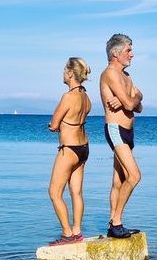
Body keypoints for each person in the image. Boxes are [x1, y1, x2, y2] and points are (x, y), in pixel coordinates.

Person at [99, 33, 143, 238]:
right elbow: (129, 104)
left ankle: (114, 225)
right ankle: (116, 222)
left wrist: (136, 97)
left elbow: (138, 106)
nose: (132, 55)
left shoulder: (126, 76)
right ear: (116, 53)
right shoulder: (110, 74)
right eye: (128, 50)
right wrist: (132, 98)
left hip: (128, 131)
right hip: (115, 129)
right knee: (134, 176)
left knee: (119, 181)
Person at [47, 57, 92, 246]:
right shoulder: (86, 96)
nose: (63, 74)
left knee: (54, 192)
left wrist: (53, 126)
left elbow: (54, 124)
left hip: (69, 149)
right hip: (83, 148)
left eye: (64, 70)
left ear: (71, 73)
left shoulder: (68, 96)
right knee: (76, 192)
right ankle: (77, 232)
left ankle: (67, 234)